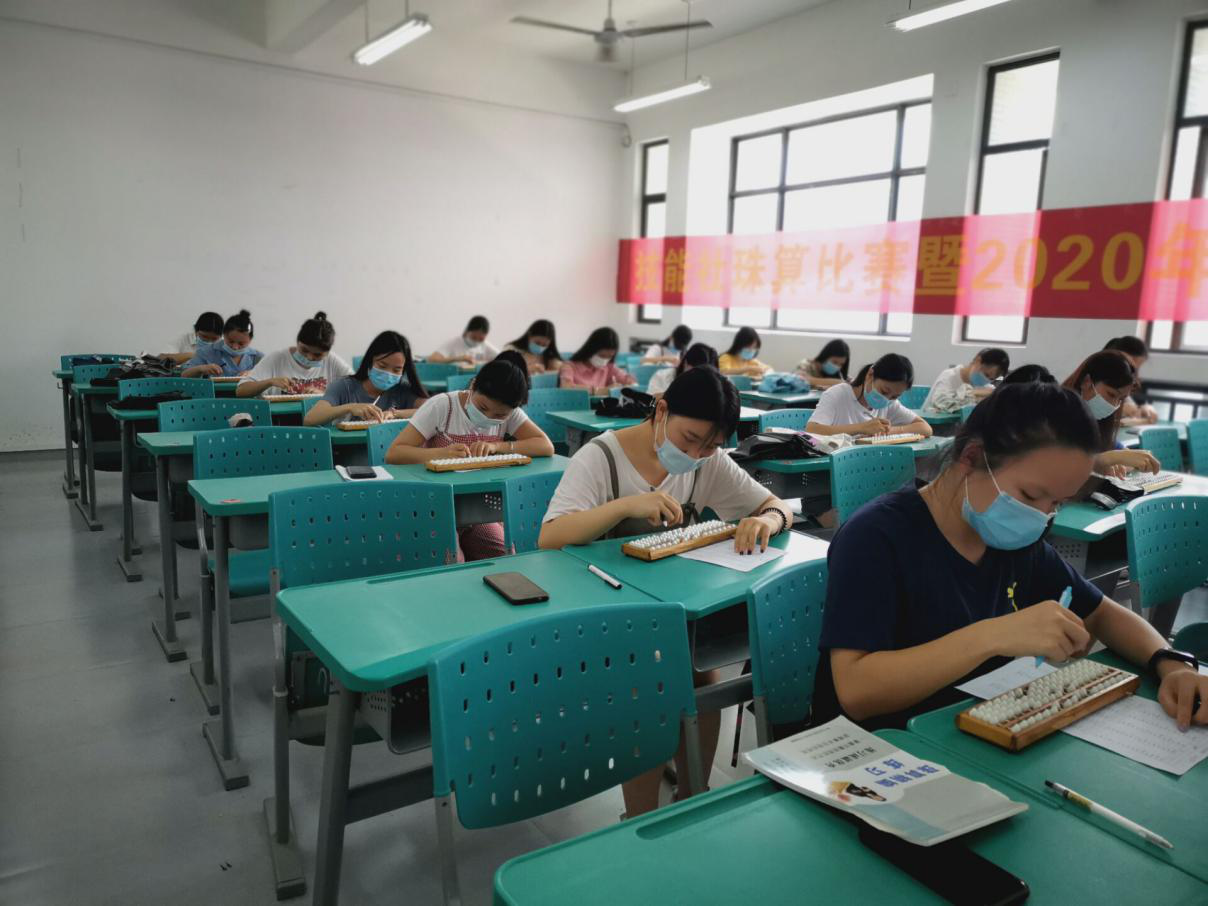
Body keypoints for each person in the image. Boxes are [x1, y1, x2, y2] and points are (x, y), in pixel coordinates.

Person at [813, 381, 1208, 732]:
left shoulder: (1014, 541)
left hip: (974, 730)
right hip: (878, 751)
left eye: (1056, 502)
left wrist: (1170, 663)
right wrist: (992, 636)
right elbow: (857, 691)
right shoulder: (877, 536)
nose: (1042, 516)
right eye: (1032, 495)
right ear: (972, 456)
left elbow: (1102, 612)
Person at [539, 366, 795, 817]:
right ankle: (638, 818)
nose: (696, 454)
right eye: (689, 439)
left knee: (703, 677)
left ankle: (692, 798)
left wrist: (767, 520)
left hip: (672, 612)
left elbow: (774, 505)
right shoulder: (601, 457)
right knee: (651, 683)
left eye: (710, 446)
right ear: (661, 411)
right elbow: (550, 537)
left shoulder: (707, 463)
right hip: (603, 612)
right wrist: (625, 506)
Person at [386, 351, 554, 560]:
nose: (488, 416)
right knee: (451, 561)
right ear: (473, 386)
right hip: (436, 508)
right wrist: (441, 454)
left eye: (500, 415)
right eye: (482, 407)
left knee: (504, 557)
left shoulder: (510, 411)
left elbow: (545, 446)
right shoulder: (442, 406)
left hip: (480, 512)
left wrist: (497, 447)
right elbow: (394, 453)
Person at [1061, 351, 1160, 478]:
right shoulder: (1057, 412)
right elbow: (1057, 463)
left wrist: (1129, 457)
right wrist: (1108, 459)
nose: (1114, 405)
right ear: (1086, 382)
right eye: (1111, 394)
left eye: (1121, 399)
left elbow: (1112, 446)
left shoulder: (1096, 420)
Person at [304, 331, 426, 425]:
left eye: (396, 370)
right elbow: (310, 419)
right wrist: (350, 407)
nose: (388, 374)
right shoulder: (344, 386)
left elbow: (431, 409)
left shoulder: (402, 390)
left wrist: (395, 414)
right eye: (382, 366)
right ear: (369, 361)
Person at [807, 353, 932, 438]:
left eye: (894, 397)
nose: (887, 399)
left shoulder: (890, 404)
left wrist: (889, 431)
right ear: (870, 375)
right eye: (884, 391)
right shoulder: (837, 395)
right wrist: (861, 428)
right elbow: (812, 430)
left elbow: (925, 428)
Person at [236, 312, 350, 398]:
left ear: (327, 353)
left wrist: (324, 394)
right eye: (304, 350)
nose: (309, 357)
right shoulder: (277, 359)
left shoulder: (332, 361)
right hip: (280, 420)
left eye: (317, 355)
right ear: (297, 342)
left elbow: (357, 390)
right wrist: (269, 382)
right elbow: (241, 391)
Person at [921, 348, 1011, 412]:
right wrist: (974, 394)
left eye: (991, 379)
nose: (986, 380)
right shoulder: (949, 376)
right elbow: (942, 403)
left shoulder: (985, 386)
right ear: (977, 361)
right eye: (986, 375)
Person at [181, 310, 263, 377]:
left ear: (250, 340)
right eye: (231, 341)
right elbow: (184, 375)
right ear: (224, 335)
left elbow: (268, 377)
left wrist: (253, 374)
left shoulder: (257, 357)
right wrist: (200, 369)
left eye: (241, 344)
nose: (235, 347)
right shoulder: (206, 352)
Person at [558, 327, 637, 394]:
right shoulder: (569, 366)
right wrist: (599, 391)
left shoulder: (609, 367)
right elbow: (566, 387)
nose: (604, 360)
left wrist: (629, 384)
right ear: (591, 349)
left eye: (609, 357)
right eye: (601, 356)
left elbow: (629, 381)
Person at [1103, 336, 1159, 425]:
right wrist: (1116, 410)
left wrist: (1145, 408)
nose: (1135, 376)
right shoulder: (1095, 383)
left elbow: (1132, 410)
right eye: (1130, 368)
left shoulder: (1122, 387)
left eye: (1137, 370)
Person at [647, 343, 718, 398]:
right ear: (685, 364)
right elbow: (650, 402)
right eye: (696, 372)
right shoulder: (662, 376)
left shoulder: (714, 386)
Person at [428, 315, 499, 364]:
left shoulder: (485, 345)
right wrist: (457, 359)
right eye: (473, 337)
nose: (477, 341)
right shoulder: (455, 342)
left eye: (481, 339)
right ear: (467, 332)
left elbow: (502, 357)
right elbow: (431, 359)